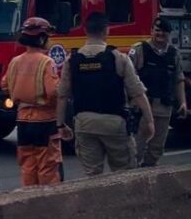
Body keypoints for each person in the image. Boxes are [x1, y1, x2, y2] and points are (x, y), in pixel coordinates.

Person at [56, 12, 154, 176]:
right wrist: (150, 121)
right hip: (114, 123)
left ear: (85, 31)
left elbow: (62, 95)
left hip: (84, 123)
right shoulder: (118, 58)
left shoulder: (71, 60)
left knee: (92, 175)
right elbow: (137, 92)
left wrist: (60, 125)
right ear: (106, 31)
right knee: (124, 174)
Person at [1, 17, 62, 186]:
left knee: (28, 165)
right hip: (45, 121)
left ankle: (28, 201)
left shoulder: (15, 62)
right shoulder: (46, 62)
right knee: (47, 166)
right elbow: (54, 92)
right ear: (42, 38)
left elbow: (4, 85)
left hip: (23, 122)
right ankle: (47, 203)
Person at [129, 17, 188, 166]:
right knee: (137, 147)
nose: (160, 34)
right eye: (157, 30)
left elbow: (178, 79)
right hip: (141, 107)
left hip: (164, 106)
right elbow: (128, 77)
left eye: (164, 32)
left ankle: (147, 175)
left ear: (169, 34)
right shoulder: (139, 50)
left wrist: (183, 103)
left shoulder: (174, 54)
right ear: (151, 31)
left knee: (156, 149)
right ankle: (133, 178)